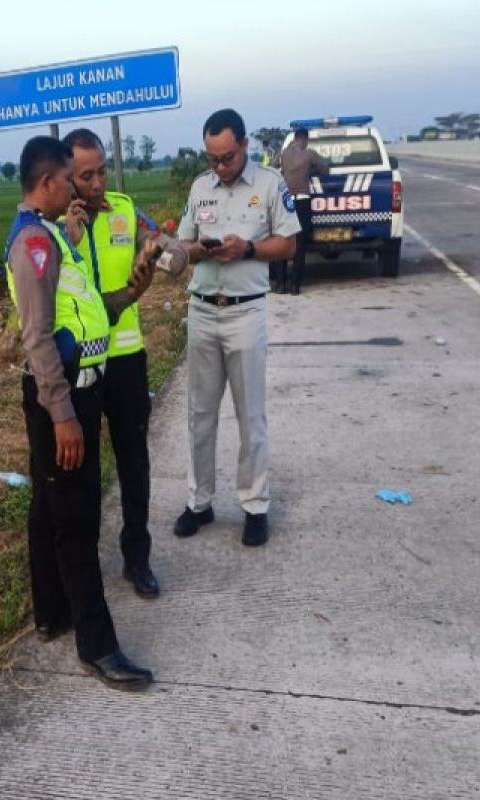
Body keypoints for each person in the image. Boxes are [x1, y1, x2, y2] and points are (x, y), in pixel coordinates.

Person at [3, 135, 157, 690]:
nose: (75, 188)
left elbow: (86, 308)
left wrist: (128, 295)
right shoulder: (35, 246)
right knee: (77, 522)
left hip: (77, 388)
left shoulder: (52, 237)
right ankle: (98, 645)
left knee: (50, 506)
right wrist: (63, 414)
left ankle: (51, 612)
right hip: (63, 396)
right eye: (68, 179)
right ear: (47, 183)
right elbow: (38, 337)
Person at [61, 128, 189, 599]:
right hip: (82, 367)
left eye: (101, 171)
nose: (96, 183)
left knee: (135, 463)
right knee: (87, 472)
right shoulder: (59, 226)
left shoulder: (122, 208)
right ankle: (86, 563)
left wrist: (161, 254)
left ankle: (138, 559)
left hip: (128, 359)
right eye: (85, 175)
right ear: (66, 179)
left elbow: (170, 246)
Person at [173, 109, 300, 547]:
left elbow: (287, 243)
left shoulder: (269, 184)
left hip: (246, 312)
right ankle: (199, 503)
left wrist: (246, 248)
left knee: (251, 416)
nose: (221, 167)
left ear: (244, 145)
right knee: (200, 415)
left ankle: (255, 506)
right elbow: (185, 245)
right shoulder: (199, 187)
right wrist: (194, 250)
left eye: (227, 157)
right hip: (204, 311)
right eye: (212, 159)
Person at [277, 126, 330, 294]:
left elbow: (270, 168)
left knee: (284, 242)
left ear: (294, 138)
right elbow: (325, 169)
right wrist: (310, 171)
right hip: (303, 202)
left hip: (286, 203)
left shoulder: (283, 154)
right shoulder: (309, 154)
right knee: (300, 245)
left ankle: (280, 284)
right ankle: (295, 286)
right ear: (305, 139)